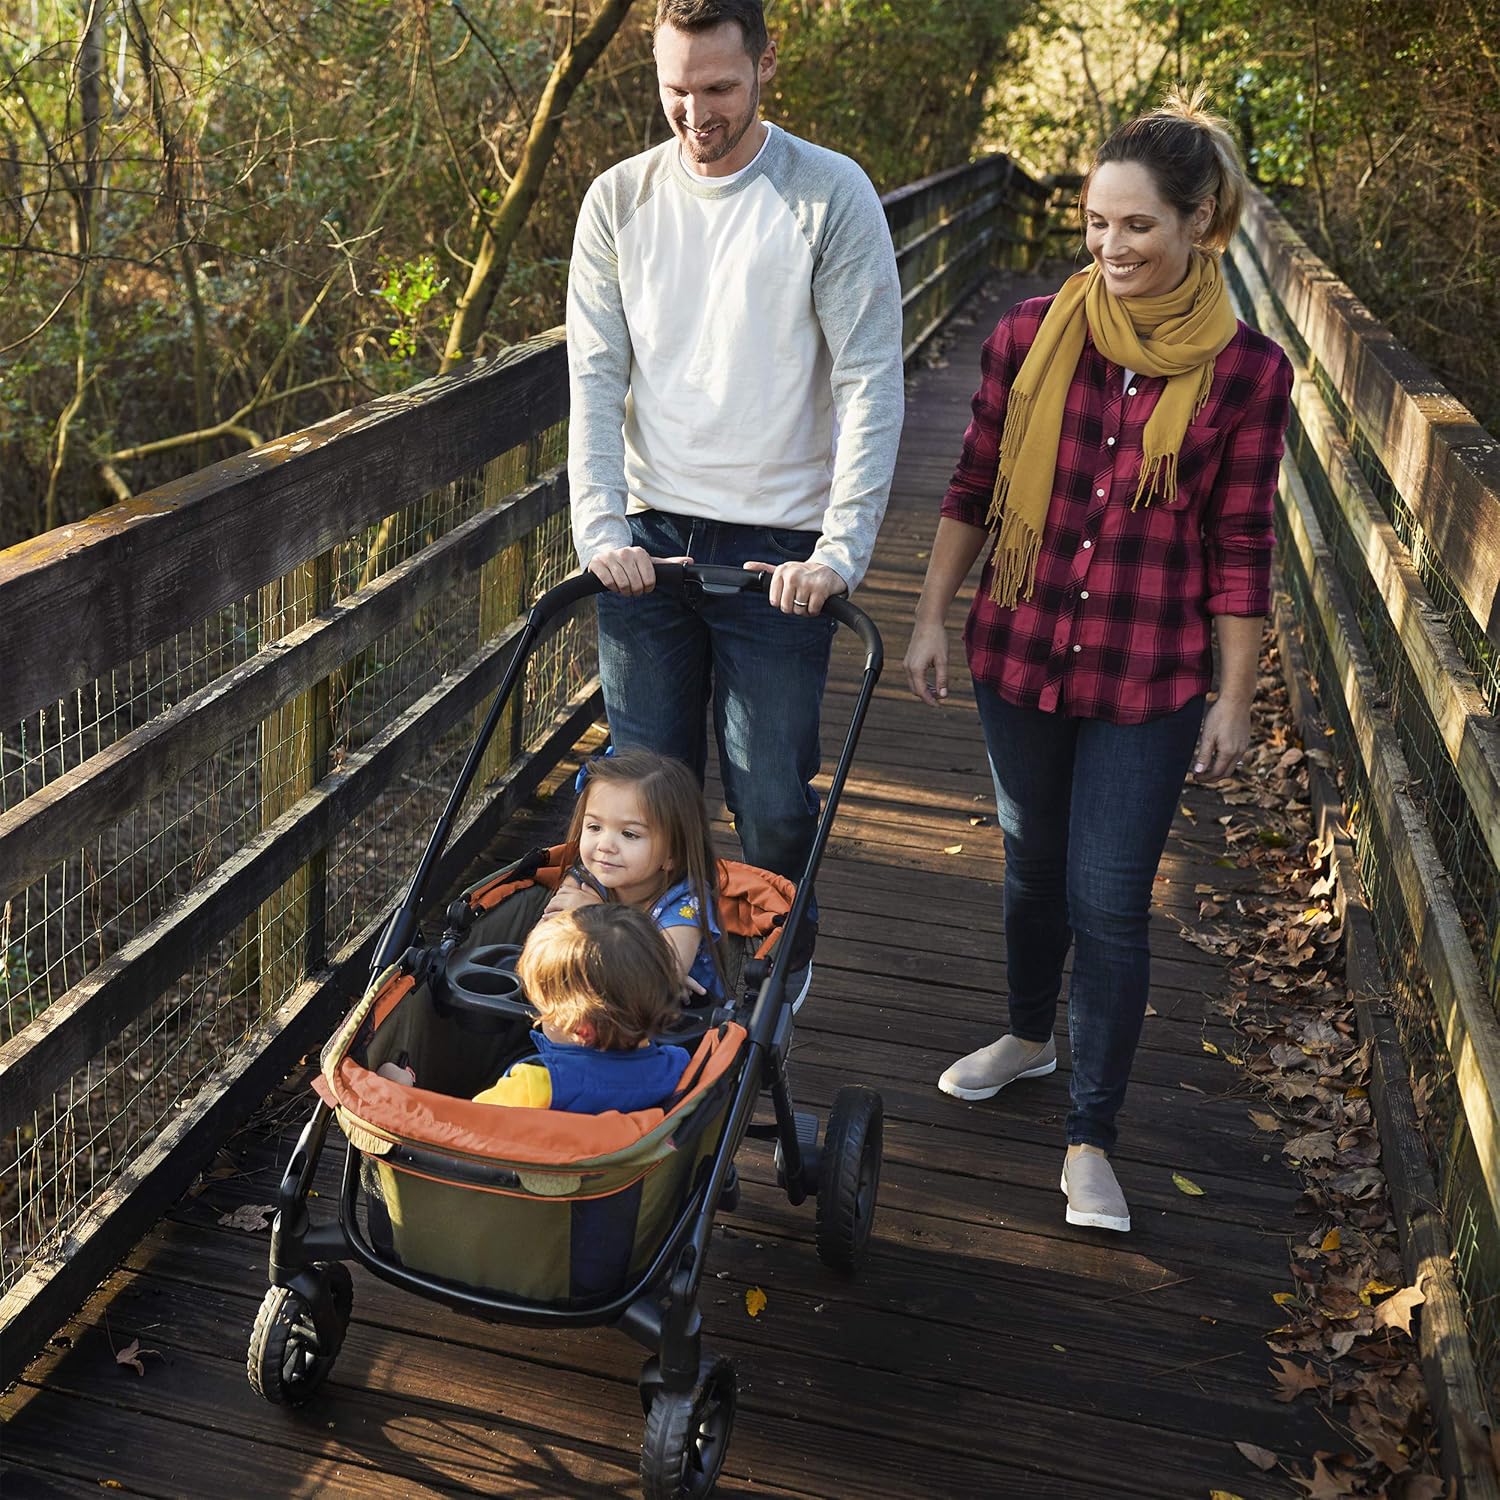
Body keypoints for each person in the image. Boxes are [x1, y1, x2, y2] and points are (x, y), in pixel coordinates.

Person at [902, 87, 1292, 1234]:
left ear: (1198, 225)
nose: (1111, 249)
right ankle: (1027, 1034)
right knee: (1031, 870)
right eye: (1095, 225)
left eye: (1138, 228)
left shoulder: (1246, 373)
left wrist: (1234, 696)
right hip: (1019, 647)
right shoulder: (1031, 335)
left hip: (1147, 673)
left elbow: (1241, 543)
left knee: (1110, 899)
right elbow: (973, 485)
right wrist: (932, 613)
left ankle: (1092, 1135)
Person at [565, 0, 904, 988]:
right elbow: (595, 378)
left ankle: (769, 1001)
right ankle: (634, 994)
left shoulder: (828, 195)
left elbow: (869, 382)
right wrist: (600, 527)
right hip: (649, 545)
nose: (696, 112)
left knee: (773, 806)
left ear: (764, 65)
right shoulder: (618, 202)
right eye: (675, 89)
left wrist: (838, 553)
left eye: (718, 88)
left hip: (778, 552)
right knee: (638, 807)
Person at [542, 749, 729, 1004]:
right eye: (595, 827)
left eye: (630, 834)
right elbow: (543, 948)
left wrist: (592, 916)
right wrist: (650, 968)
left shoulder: (686, 904)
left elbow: (657, 984)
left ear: (672, 853)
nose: (605, 845)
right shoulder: (585, 878)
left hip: (673, 1030)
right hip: (592, 1012)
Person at [472, 905, 692, 1113]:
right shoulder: (677, 1067)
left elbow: (466, 1125)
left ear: (581, 1030)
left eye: (543, 1011)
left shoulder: (534, 1085)